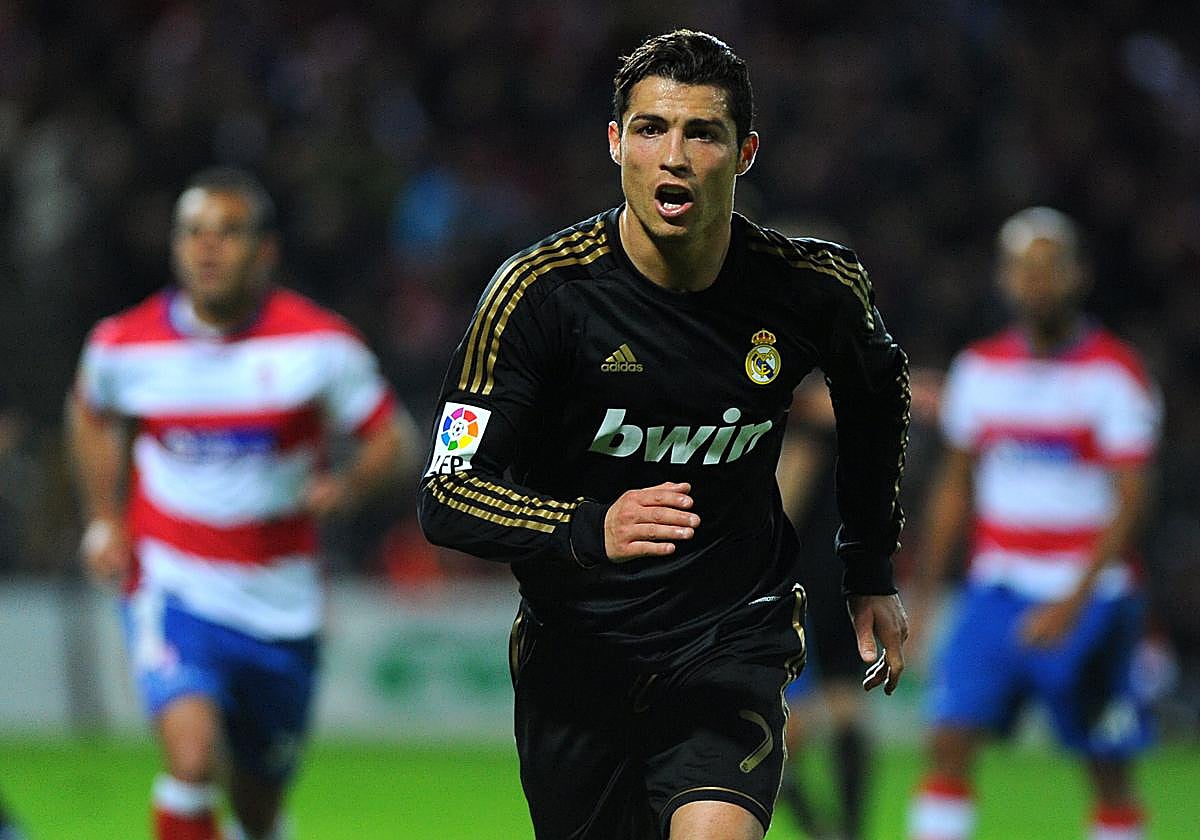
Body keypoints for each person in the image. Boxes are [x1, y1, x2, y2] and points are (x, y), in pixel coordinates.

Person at [417, 29, 911, 840]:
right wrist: (588, 525)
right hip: (577, 656)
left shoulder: (805, 287)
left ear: (744, 151)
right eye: (650, 129)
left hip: (730, 637)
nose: (673, 155)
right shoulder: (540, 295)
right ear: (615, 143)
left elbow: (878, 389)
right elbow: (446, 493)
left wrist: (868, 564)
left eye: (702, 133)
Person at [67, 166, 417, 840]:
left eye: (228, 233)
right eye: (194, 233)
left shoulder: (318, 346)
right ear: (175, 247)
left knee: (257, 807)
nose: (208, 248)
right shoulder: (124, 345)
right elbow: (88, 413)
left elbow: (393, 439)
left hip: (280, 604)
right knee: (192, 760)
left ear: (265, 251)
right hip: (173, 584)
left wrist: (346, 486)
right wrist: (103, 518)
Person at [906, 207, 1161, 840]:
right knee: (948, 741)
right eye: (1024, 270)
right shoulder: (980, 370)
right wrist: (926, 595)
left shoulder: (1115, 375)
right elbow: (953, 489)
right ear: (1005, 280)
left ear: (1079, 276)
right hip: (997, 589)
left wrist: (1071, 604)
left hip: (1093, 598)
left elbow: (1132, 504)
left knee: (1108, 766)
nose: (1037, 283)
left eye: (1050, 268)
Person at [774, 378, 875, 840]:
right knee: (846, 706)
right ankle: (851, 832)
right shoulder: (868, 429)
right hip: (850, 574)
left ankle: (819, 831)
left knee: (785, 728)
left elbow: (785, 507)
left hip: (803, 582)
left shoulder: (807, 432)